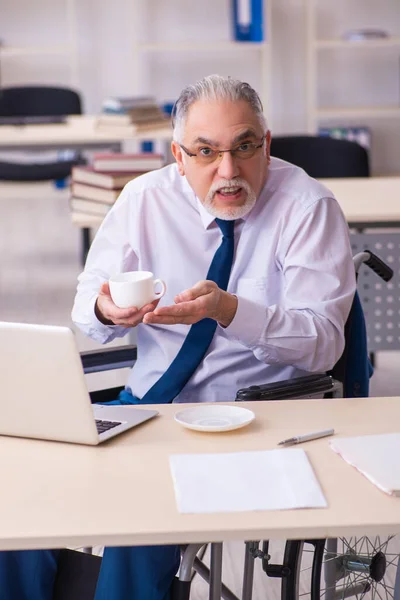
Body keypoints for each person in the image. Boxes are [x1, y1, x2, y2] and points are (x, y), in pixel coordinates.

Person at [0, 74, 355, 599]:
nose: (228, 170)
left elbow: (324, 342)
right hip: (143, 412)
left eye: (245, 147)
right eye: (206, 151)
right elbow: (85, 306)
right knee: (20, 495)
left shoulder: (308, 207)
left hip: (250, 420)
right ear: (178, 154)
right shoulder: (144, 198)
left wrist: (232, 311)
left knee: (136, 520)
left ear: (267, 142)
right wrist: (106, 308)